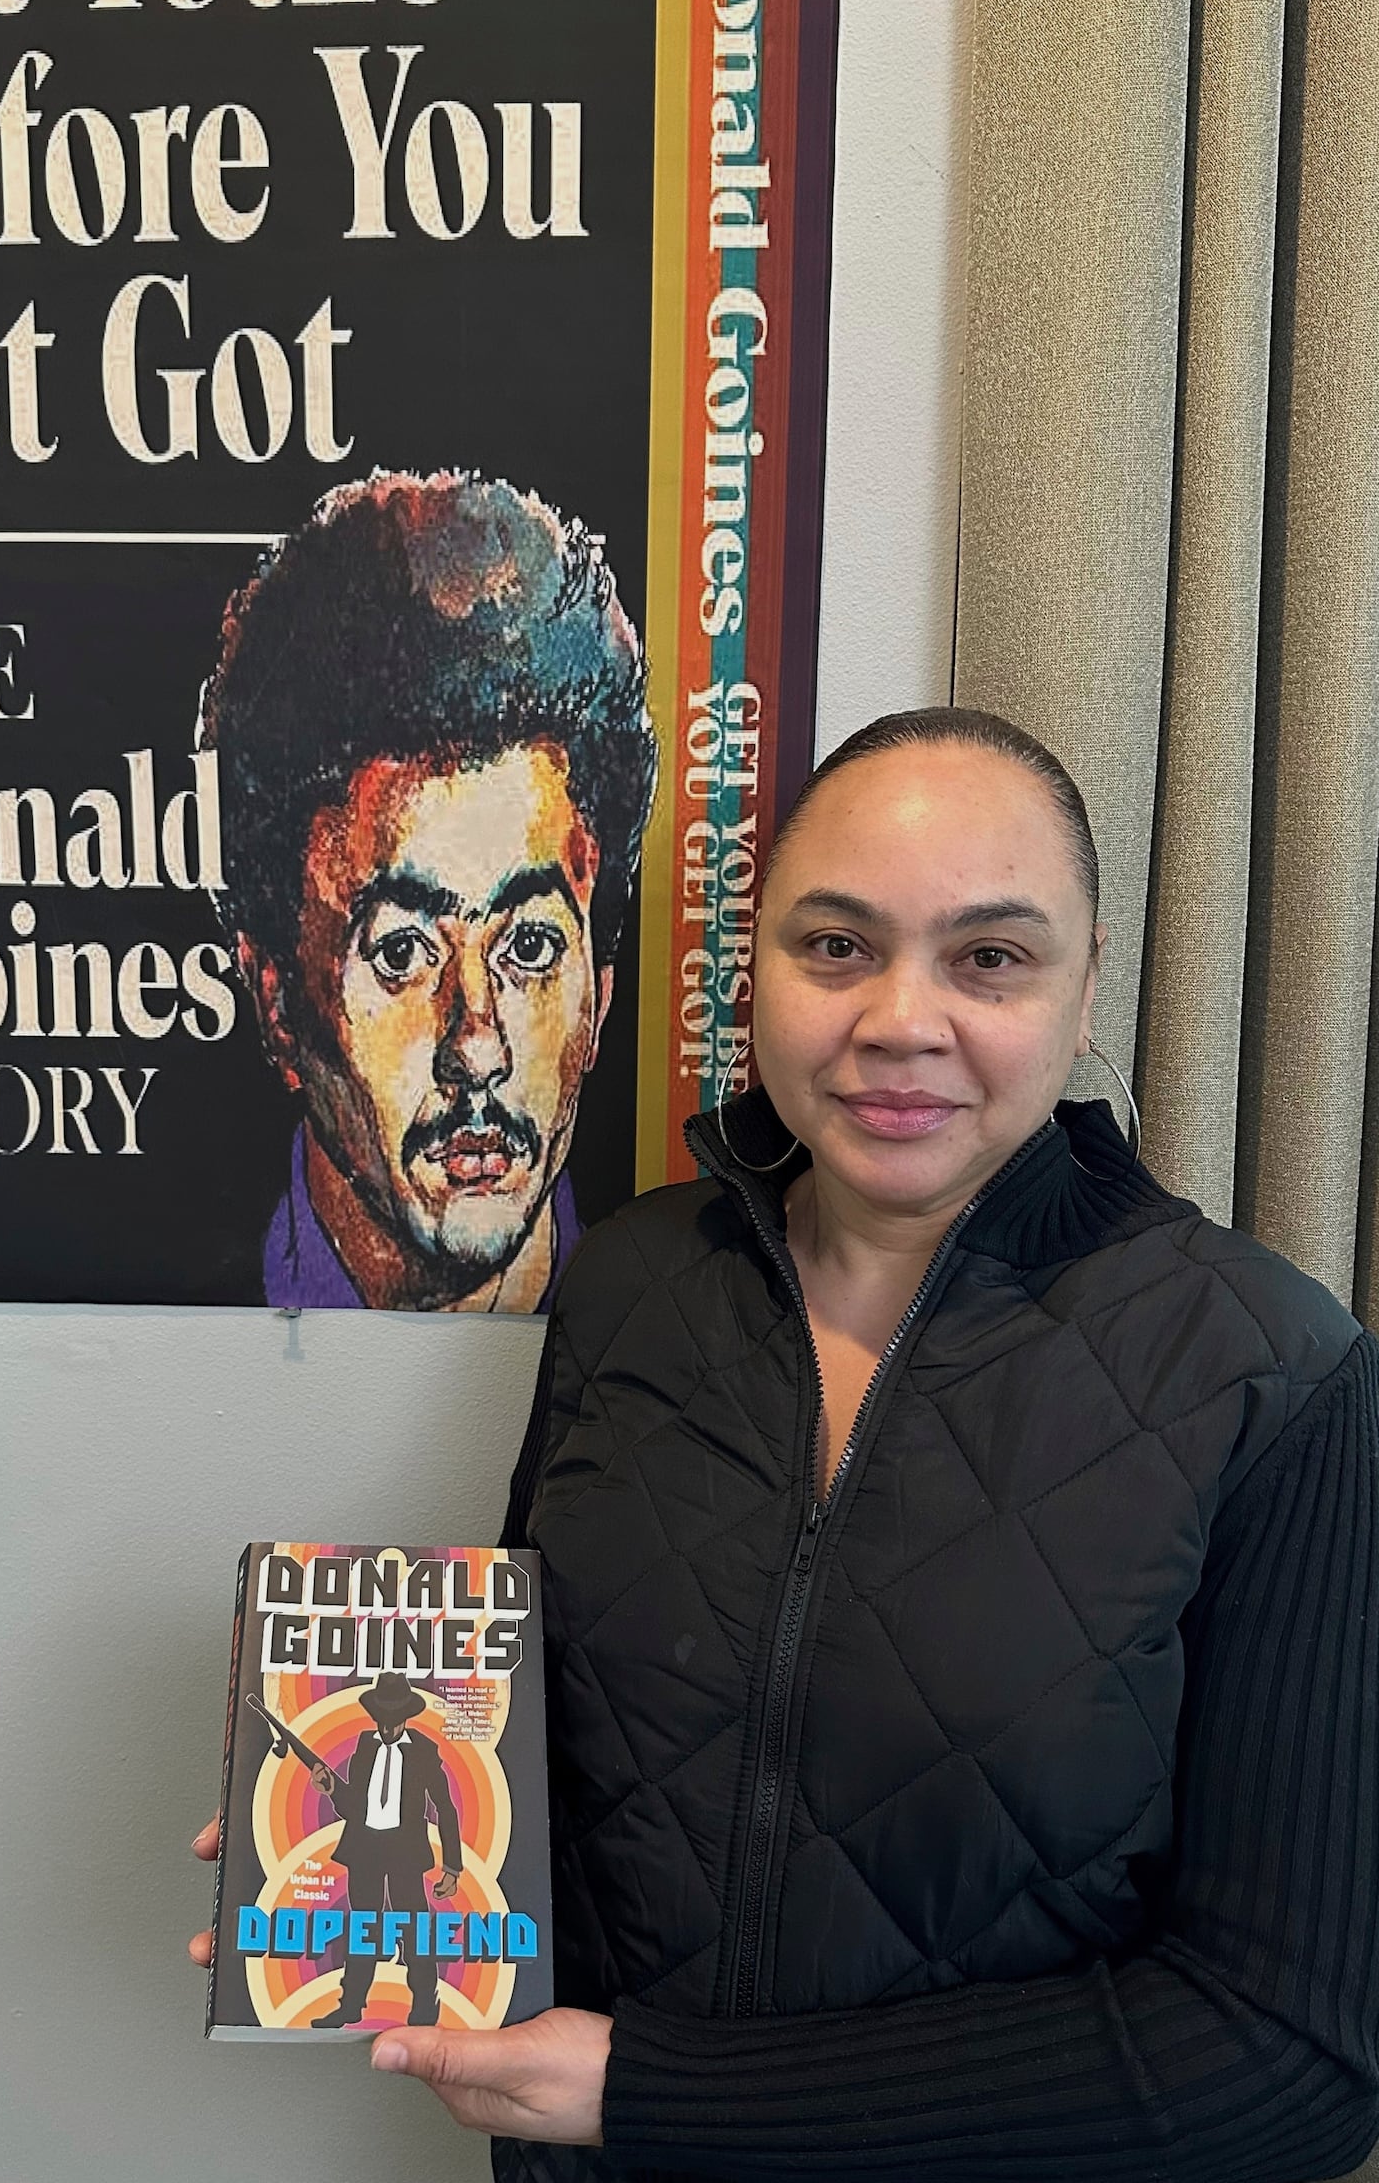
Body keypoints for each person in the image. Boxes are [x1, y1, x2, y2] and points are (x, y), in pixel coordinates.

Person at [301, 705, 1378, 2179]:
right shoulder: (629, 1280)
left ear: (1084, 989)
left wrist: (664, 2094)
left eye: (990, 957)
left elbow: (1289, 2061)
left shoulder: (1275, 1375)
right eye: (836, 945)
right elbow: (551, 1766)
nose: (899, 1020)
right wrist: (344, 1839)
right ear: (762, 971)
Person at [200, 468, 657, 1314]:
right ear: (276, 1005)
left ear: (601, 994)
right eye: (402, 953)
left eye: (531, 947)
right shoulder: (183, 1338)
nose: (478, 1046)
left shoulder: (671, 1346)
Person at [251, 1677, 463, 2028]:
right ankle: (350, 2006)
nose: (387, 1723)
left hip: (405, 1853)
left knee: (414, 1929)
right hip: (365, 1852)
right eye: (381, 1714)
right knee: (363, 1929)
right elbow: (356, 1807)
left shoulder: (425, 1751)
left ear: (406, 1716)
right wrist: (331, 1788)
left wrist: (452, 1867)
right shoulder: (364, 1746)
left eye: (394, 1715)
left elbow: (445, 1807)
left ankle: (426, 2004)